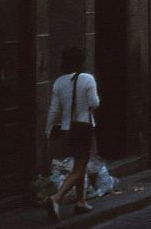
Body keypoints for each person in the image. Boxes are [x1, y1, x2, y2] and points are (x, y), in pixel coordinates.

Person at [44, 46, 100, 221]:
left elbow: (53, 109)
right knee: (79, 168)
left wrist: (48, 129)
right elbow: (94, 103)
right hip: (83, 127)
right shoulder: (87, 79)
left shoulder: (59, 82)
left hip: (67, 129)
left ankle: (80, 201)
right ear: (81, 62)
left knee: (79, 164)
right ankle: (56, 198)